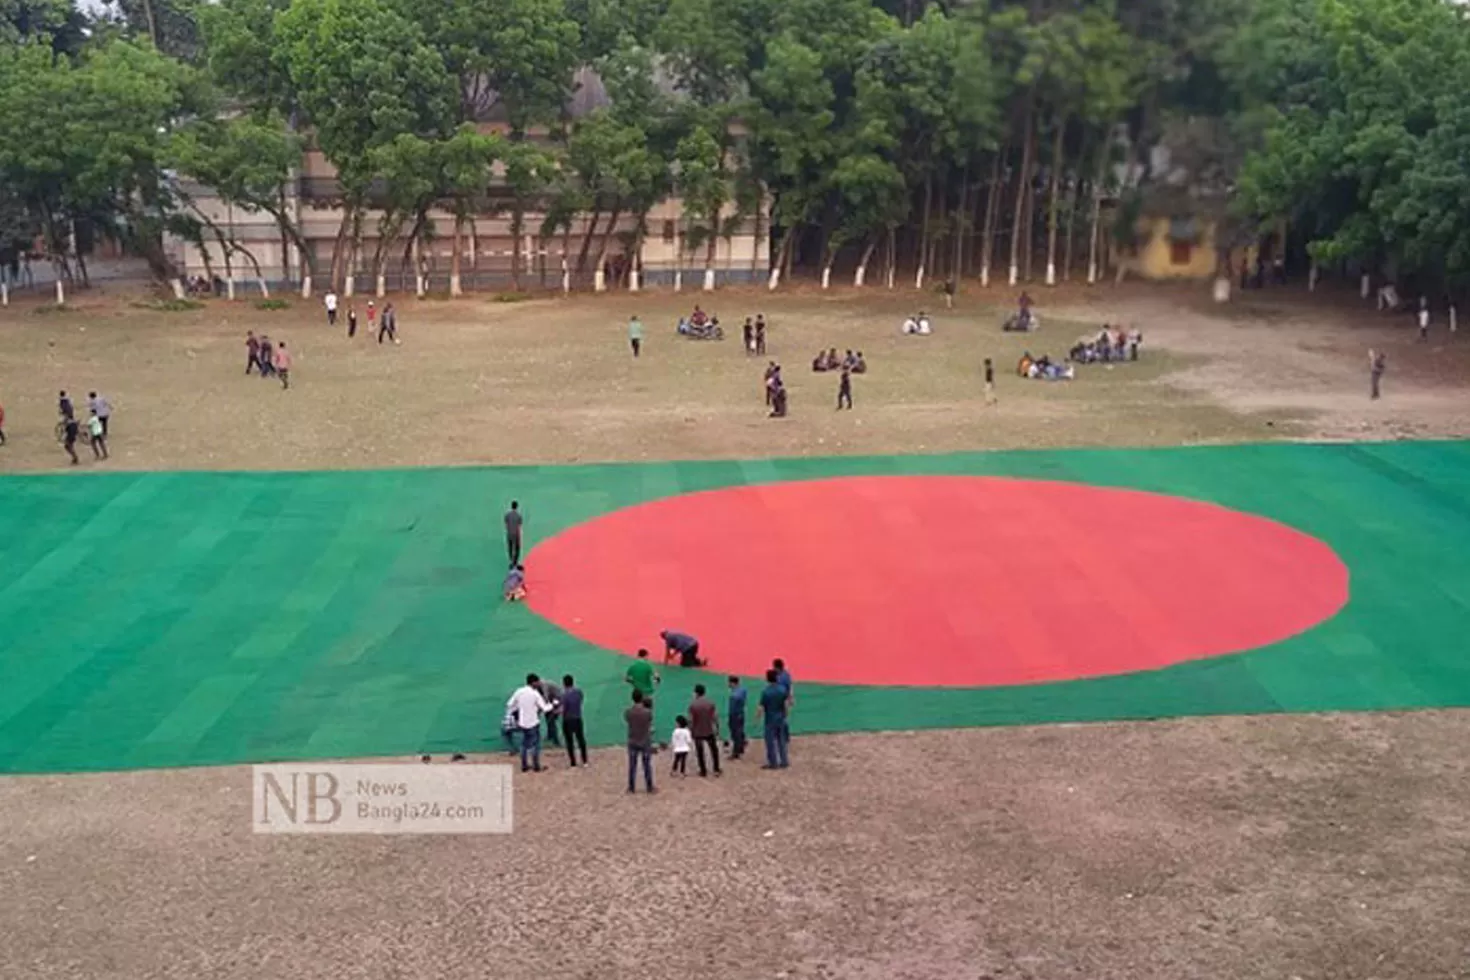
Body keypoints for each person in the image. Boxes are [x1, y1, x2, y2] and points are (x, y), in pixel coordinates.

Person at [506, 673, 553, 773]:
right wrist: (552, 704)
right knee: (535, 745)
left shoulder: (519, 691)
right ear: (533, 682)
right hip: (533, 722)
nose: (539, 684)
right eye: (537, 682)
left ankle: (524, 766)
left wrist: (518, 709)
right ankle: (536, 766)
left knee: (524, 745)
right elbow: (545, 708)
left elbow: (510, 704)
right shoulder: (535, 694)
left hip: (522, 723)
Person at [757, 669, 790, 769]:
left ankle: (773, 762)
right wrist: (785, 715)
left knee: (770, 741)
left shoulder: (766, 692)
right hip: (780, 717)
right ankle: (784, 761)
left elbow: (761, 707)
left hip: (770, 719)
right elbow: (786, 704)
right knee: (781, 739)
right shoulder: (782, 689)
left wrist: (758, 717)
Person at [625, 690, 655, 793]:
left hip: (633, 739)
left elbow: (627, 720)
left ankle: (631, 787)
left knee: (632, 765)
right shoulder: (647, 712)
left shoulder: (628, 712)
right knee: (647, 764)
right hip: (644, 739)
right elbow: (650, 721)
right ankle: (649, 787)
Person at [688, 684, 721, 777]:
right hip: (709, 730)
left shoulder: (693, 705)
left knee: (700, 751)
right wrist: (717, 728)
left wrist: (691, 731)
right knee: (714, 750)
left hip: (698, 731)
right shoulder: (710, 703)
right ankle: (716, 769)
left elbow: (691, 720)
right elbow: (715, 717)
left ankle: (703, 770)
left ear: (696, 693)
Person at [560, 674, 588, 768]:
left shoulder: (564, 694)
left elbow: (563, 709)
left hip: (568, 720)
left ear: (564, 683)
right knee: (581, 739)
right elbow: (581, 700)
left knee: (569, 741)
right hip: (577, 718)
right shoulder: (579, 692)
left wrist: (556, 711)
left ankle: (573, 762)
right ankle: (585, 761)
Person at [726, 675, 747, 760]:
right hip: (741, 713)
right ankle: (741, 746)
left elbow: (733, 708)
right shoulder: (743, 690)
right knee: (740, 731)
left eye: (729, 682)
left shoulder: (734, 695)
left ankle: (736, 752)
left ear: (733, 683)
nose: (728, 684)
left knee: (735, 733)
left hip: (735, 715)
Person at [505, 500, 523, 565]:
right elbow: (520, 525)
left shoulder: (507, 515)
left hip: (509, 533)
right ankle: (515, 560)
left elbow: (506, 523)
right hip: (516, 534)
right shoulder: (518, 515)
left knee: (510, 546)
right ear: (517, 507)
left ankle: (511, 560)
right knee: (517, 547)